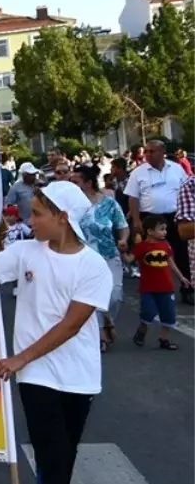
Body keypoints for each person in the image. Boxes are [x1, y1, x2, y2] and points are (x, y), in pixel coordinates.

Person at [0, 182, 112, 484]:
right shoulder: (26, 252)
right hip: (36, 376)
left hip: (78, 377)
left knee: (64, 458)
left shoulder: (92, 266)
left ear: (63, 218)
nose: (31, 219)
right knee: (53, 456)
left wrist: (20, 357)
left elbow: (73, 324)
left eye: (39, 213)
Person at [125, 140, 189, 302]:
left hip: (175, 217)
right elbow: (133, 197)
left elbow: (187, 190)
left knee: (181, 252)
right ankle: (152, 290)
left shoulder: (176, 169)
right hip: (150, 218)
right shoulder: (138, 173)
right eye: (146, 151)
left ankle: (188, 288)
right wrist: (137, 221)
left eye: (151, 151)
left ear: (162, 152)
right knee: (151, 254)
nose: (147, 154)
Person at [74, 164, 128, 351]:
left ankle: (108, 319)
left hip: (109, 254)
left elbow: (122, 226)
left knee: (115, 295)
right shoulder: (72, 207)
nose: (73, 185)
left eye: (77, 181)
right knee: (92, 296)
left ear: (88, 183)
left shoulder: (109, 203)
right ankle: (100, 335)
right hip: (84, 258)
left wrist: (123, 239)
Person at [128, 216, 190, 351]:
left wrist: (181, 277)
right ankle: (142, 329)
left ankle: (164, 338)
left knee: (169, 314)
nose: (165, 232)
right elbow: (129, 259)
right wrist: (123, 250)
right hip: (148, 288)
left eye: (165, 229)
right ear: (150, 231)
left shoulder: (165, 245)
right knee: (148, 312)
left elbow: (170, 262)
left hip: (166, 287)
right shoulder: (142, 247)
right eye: (161, 229)